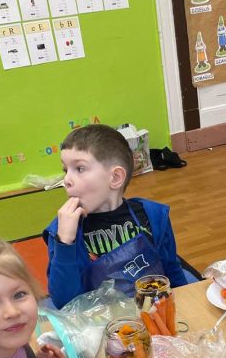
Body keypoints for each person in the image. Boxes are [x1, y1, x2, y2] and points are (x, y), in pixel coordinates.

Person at [43, 124, 187, 309]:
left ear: (116, 177)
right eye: (65, 170)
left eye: (79, 168)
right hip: (101, 326)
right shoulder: (62, 230)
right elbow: (65, 302)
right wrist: (65, 243)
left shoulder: (152, 215)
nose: (66, 181)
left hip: (155, 316)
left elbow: (172, 271)